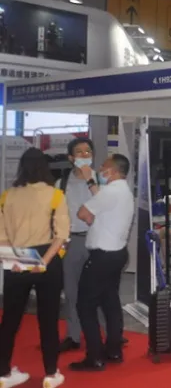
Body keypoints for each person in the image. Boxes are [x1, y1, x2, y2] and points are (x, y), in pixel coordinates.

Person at [0, 148, 69, 388]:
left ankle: (3, 372)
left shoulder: (7, 196)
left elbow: (2, 235)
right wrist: (43, 262)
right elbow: (61, 235)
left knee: (10, 319)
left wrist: (12, 260)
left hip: (15, 258)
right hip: (45, 257)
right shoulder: (55, 195)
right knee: (48, 318)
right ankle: (50, 373)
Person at [69, 154, 135, 372]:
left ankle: (95, 356)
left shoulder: (110, 191)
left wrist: (90, 216)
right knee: (110, 302)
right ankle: (114, 350)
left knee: (85, 305)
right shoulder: (122, 191)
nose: (100, 169)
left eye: (104, 167)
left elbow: (83, 213)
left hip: (102, 257)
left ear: (113, 171)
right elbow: (99, 202)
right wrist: (91, 182)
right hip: (116, 254)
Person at [57, 137, 97, 353]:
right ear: (71, 157)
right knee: (71, 291)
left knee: (99, 291)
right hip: (71, 241)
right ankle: (73, 336)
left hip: (97, 240)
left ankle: (105, 335)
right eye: (79, 152)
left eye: (88, 151)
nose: (84, 155)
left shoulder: (100, 180)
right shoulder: (61, 184)